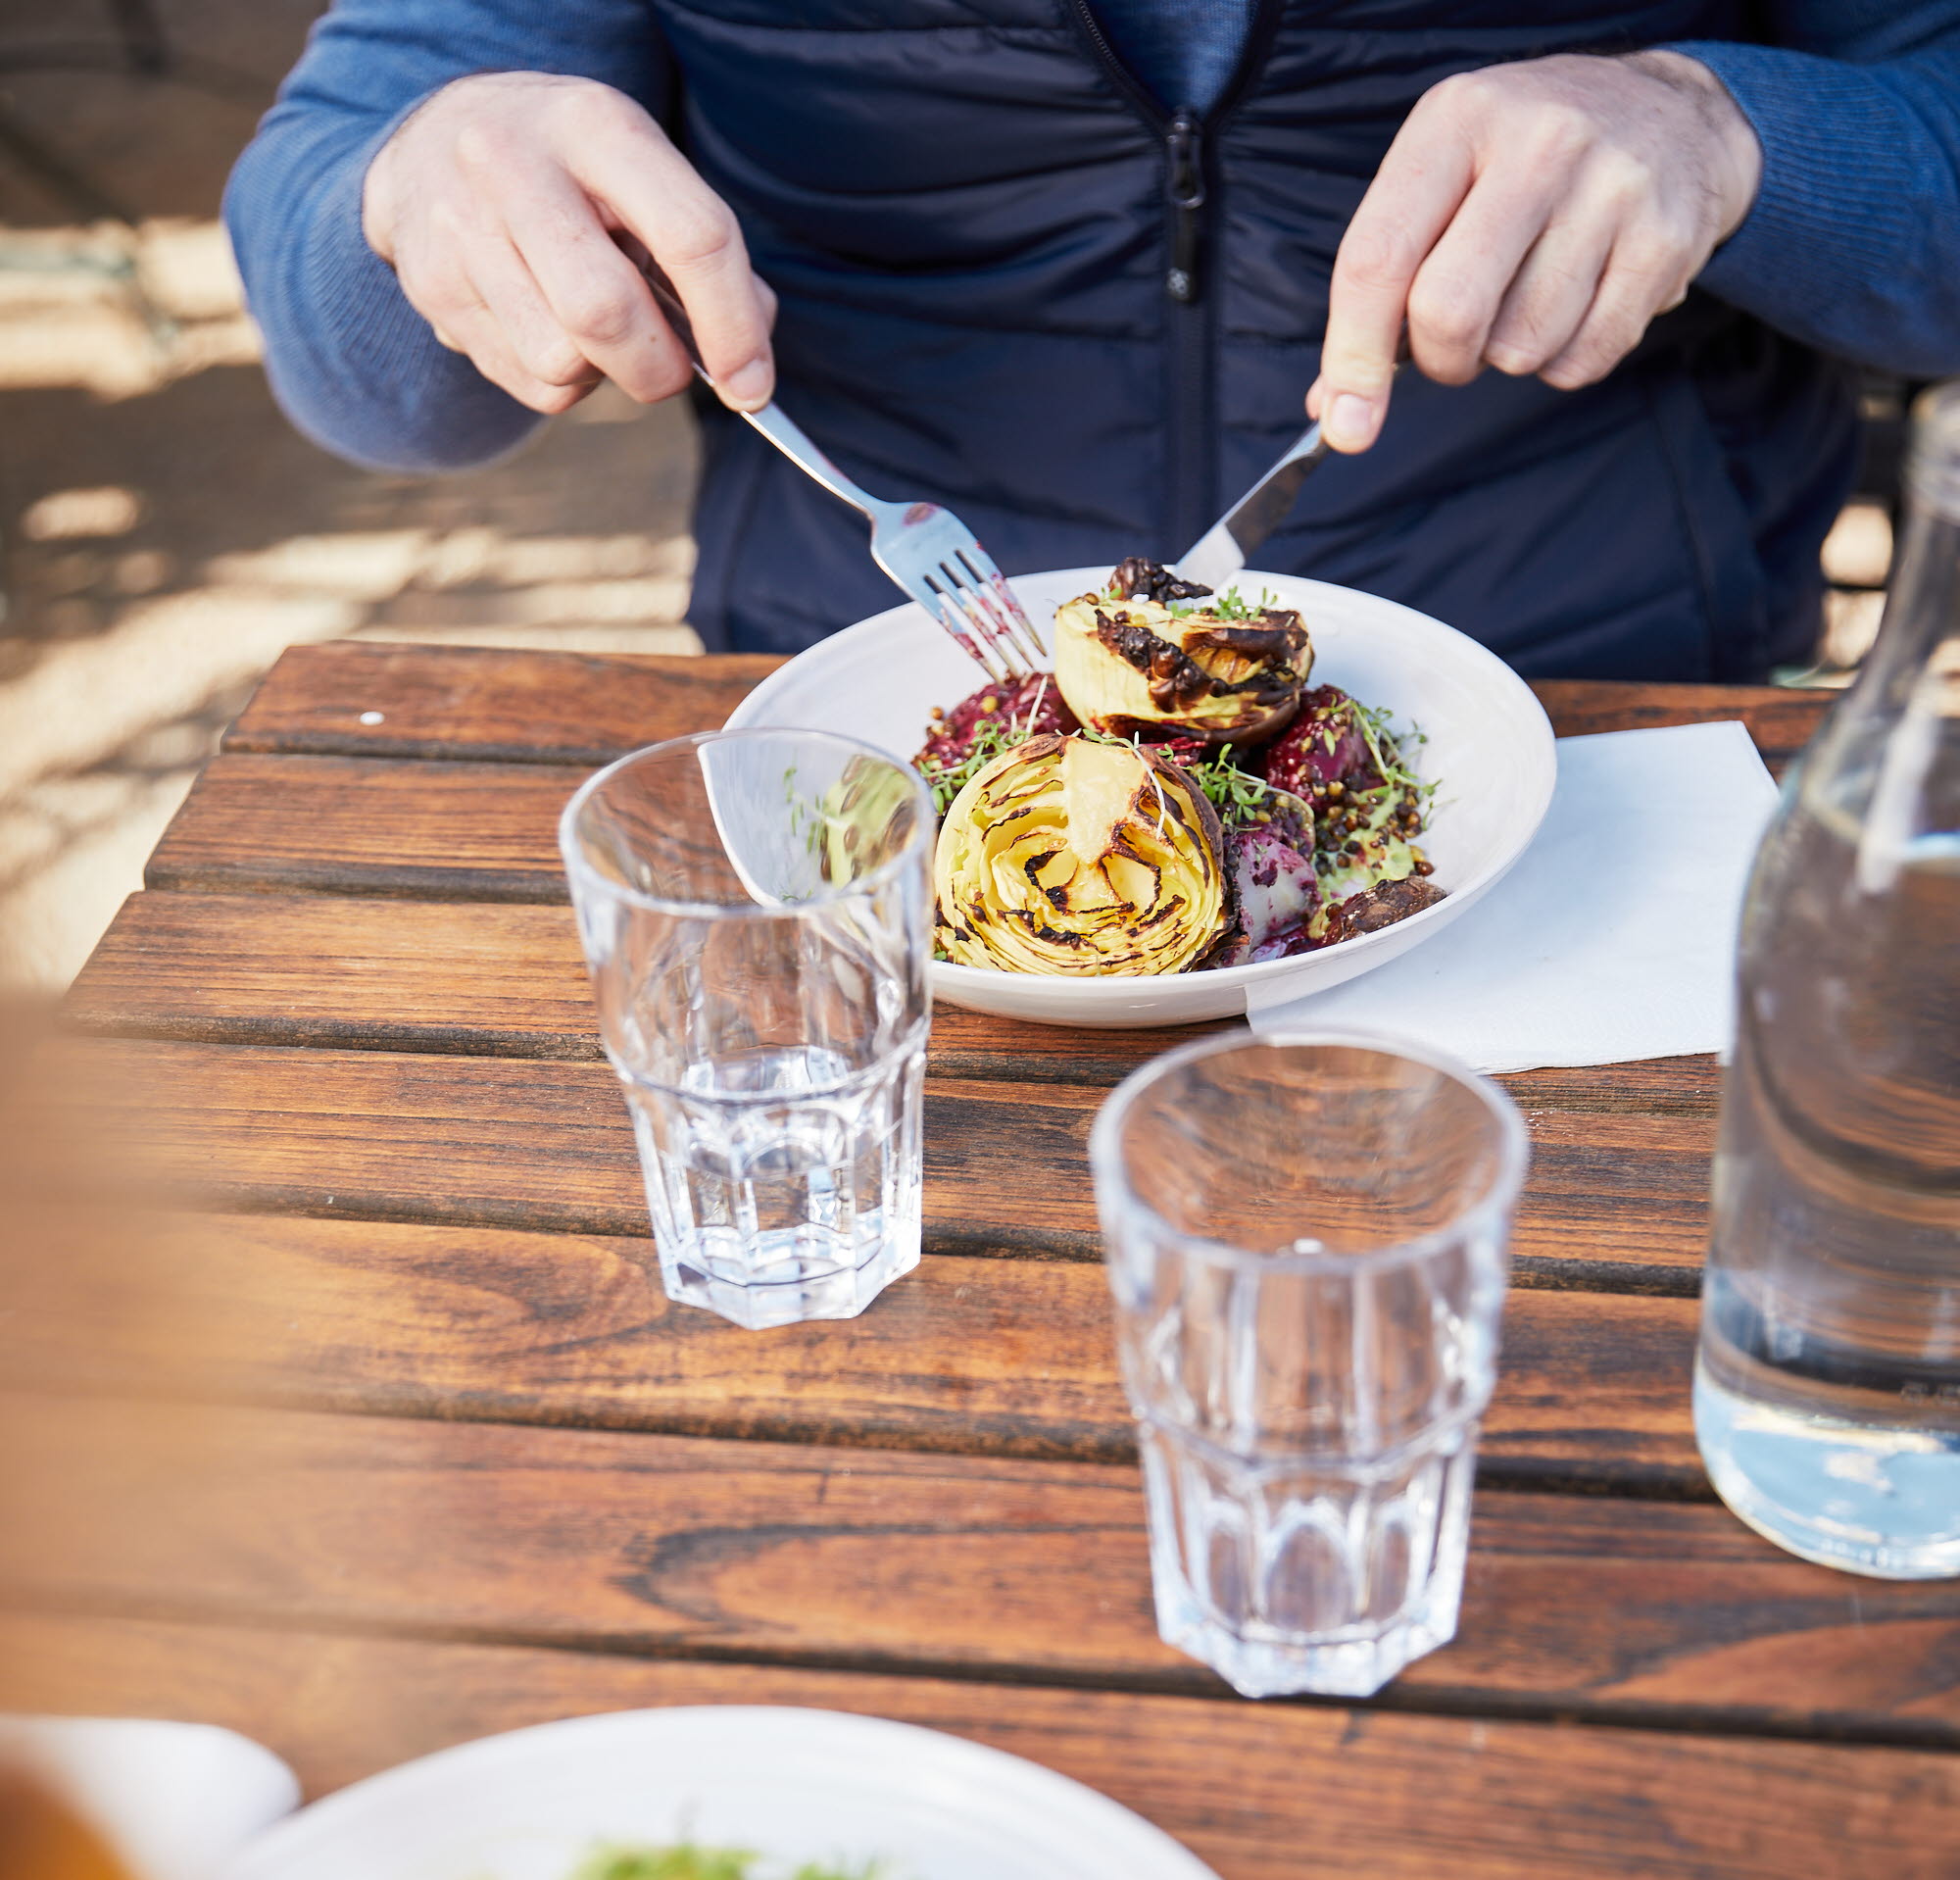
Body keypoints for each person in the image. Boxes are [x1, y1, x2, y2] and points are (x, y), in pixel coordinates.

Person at [224, 3, 1960, 679]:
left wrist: (1733, 133)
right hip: (862, 748)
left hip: (1602, 729)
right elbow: (356, 358)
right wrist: (414, 188)